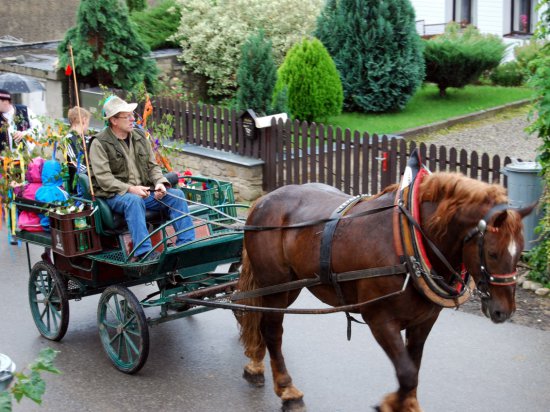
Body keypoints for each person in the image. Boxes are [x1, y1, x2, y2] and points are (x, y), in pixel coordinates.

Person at [88, 96, 195, 262]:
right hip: (114, 195)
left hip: (144, 191)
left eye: (132, 114)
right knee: (133, 201)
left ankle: (186, 246)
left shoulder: (139, 137)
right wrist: (131, 189)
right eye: (127, 116)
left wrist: (160, 183)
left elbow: (153, 166)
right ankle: (144, 252)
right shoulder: (99, 143)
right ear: (114, 120)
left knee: (177, 196)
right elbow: (104, 179)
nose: (133, 119)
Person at [0, 89, 41, 153]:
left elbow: (38, 127)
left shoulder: (24, 110)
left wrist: (24, 134)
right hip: (4, 160)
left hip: (25, 158)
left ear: (5, 101)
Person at [64, 106, 91, 192]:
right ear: (83, 120)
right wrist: (92, 174)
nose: (88, 127)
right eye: (88, 123)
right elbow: (76, 162)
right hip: (80, 182)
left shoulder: (87, 138)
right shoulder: (69, 139)